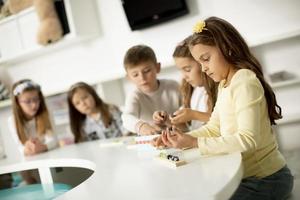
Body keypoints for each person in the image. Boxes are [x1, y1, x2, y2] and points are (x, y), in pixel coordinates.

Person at [153, 17, 293, 200]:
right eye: (200, 62)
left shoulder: (244, 81)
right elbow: (214, 128)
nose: (203, 69)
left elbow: (247, 140)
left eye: (206, 59)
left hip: (266, 179)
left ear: (227, 48)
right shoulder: (225, 84)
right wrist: (179, 139)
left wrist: (193, 143)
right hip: (243, 176)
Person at [122, 44, 182, 135]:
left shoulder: (173, 86)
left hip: (179, 135)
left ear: (157, 68)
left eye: (146, 71)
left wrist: (170, 120)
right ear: (128, 77)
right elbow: (127, 117)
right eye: (135, 75)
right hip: (153, 140)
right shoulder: (134, 95)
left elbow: (187, 108)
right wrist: (141, 126)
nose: (142, 78)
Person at [8, 79, 58, 184]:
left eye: (36, 99)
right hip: (29, 165)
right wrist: (27, 149)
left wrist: (43, 147)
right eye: (28, 101)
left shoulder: (46, 113)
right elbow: (20, 147)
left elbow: (54, 140)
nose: (34, 105)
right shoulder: (12, 121)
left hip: (48, 161)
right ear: (18, 102)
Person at [168, 36, 218, 130]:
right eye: (181, 71)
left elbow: (226, 122)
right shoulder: (194, 90)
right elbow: (188, 129)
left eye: (187, 69)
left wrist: (194, 115)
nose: (184, 76)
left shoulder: (220, 89)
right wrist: (169, 120)